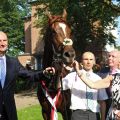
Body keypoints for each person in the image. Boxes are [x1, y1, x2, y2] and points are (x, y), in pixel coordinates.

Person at [0, 31, 55, 120]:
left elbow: (29, 75)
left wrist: (44, 72)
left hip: (9, 112)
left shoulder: (13, 62)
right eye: (0, 41)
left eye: (4, 40)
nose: (2, 44)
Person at [74, 51, 120, 119]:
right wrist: (78, 71)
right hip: (113, 114)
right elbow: (92, 85)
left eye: (113, 56)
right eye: (109, 56)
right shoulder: (113, 77)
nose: (110, 58)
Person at [62, 51, 108, 120]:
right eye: (86, 59)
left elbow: (102, 101)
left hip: (94, 115)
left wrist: (103, 118)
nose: (88, 62)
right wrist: (57, 70)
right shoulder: (72, 76)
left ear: (94, 62)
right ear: (81, 62)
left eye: (91, 59)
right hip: (78, 114)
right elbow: (58, 86)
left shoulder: (98, 78)